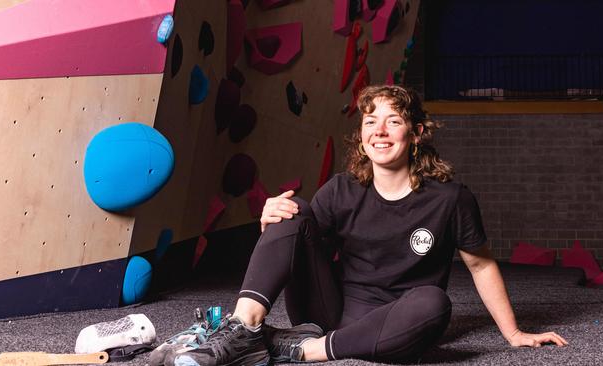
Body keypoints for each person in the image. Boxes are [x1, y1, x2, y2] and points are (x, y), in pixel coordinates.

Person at [168, 85, 568, 366]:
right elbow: (292, 246)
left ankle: (296, 349)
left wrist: (514, 334)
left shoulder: (450, 199)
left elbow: (480, 266)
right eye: (370, 121)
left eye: (393, 121)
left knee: (435, 303)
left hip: (395, 321)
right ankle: (244, 328)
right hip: (327, 310)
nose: (379, 130)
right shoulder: (342, 189)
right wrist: (267, 220)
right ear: (361, 137)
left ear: (416, 134)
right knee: (291, 209)